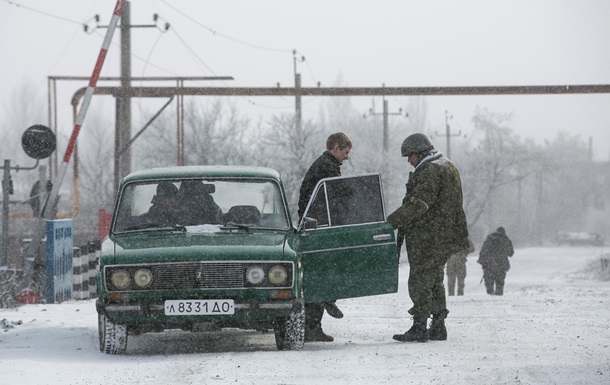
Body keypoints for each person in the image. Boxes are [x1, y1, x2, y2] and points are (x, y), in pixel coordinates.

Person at [387, 133, 471, 342]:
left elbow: (419, 205)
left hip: (429, 237)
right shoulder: (446, 165)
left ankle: (419, 327)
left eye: (410, 156)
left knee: (420, 279)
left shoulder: (430, 171)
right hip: (444, 235)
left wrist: (389, 222)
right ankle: (438, 325)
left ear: (420, 152)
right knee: (435, 279)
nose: (409, 160)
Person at [298, 132, 352, 342]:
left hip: (316, 225)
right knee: (325, 274)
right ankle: (316, 320)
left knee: (322, 274)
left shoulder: (325, 164)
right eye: (345, 152)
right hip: (320, 227)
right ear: (336, 148)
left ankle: (315, 322)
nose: (347, 157)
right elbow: (339, 195)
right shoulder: (327, 167)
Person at [478, 227, 514, 295]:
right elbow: (511, 253)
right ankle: (498, 294)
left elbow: (483, 249)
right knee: (500, 281)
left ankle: (490, 291)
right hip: (502, 263)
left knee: (489, 279)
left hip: (489, 263)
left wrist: (481, 259)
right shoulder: (506, 240)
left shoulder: (490, 238)